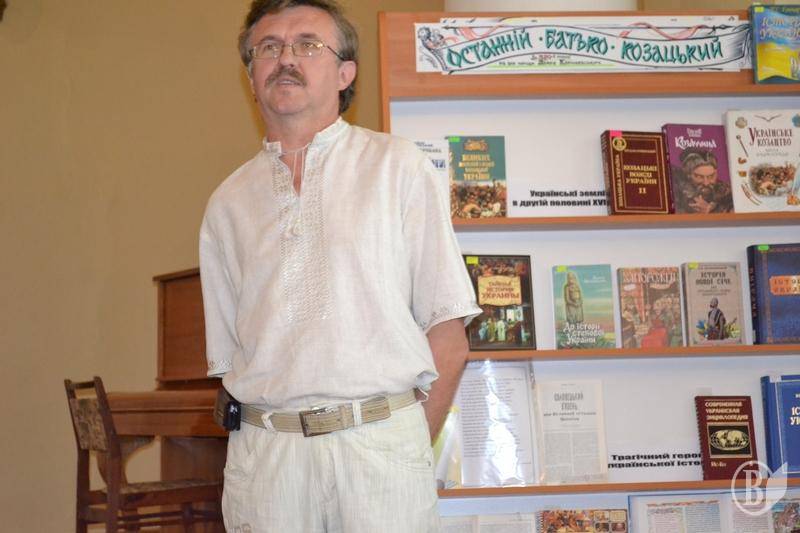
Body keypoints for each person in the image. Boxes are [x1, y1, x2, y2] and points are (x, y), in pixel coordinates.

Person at [198, 1, 480, 531]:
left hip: (380, 455)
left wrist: (401, 447)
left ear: (345, 73)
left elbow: (449, 338)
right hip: (267, 467)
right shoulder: (227, 203)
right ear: (251, 76)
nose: (286, 58)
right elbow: (230, 358)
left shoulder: (398, 167)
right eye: (269, 48)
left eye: (308, 45)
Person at [673, 149, 732, 214]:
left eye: (711, 176)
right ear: (688, 175)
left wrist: (709, 212)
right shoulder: (676, 193)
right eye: (699, 177)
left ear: (716, 173)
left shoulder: (727, 194)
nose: (706, 183)